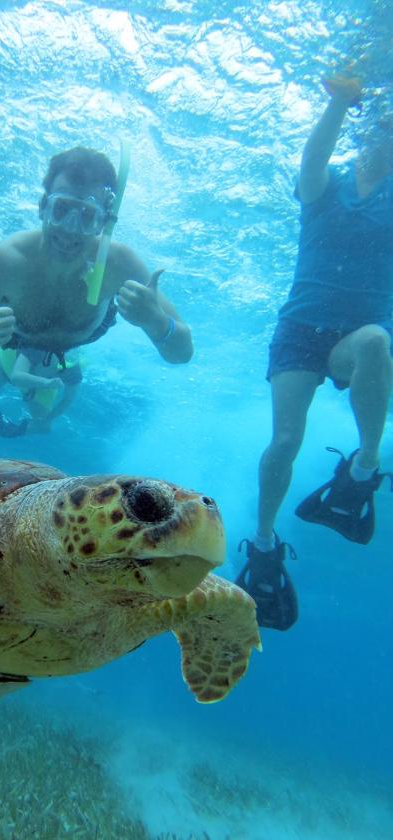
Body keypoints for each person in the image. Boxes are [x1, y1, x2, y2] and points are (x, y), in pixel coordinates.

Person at [236, 77, 393, 632]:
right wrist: (340, 100)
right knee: (284, 439)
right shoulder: (326, 186)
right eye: (378, 124)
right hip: (302, 327)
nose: (384, 135)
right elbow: (313, 155)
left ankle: (362, 470)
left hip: (361, 330)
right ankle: (262, 545)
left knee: (377, 343)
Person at [0, 146, 192, 379]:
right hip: (18, 337)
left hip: (90, 333)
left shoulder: (119, 264)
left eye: (87, 216)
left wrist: (156, 321)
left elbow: (182, 354)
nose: (71, 229)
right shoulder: (5, 263)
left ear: (103, 222)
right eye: (61, 209)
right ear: (43, 207)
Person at [0, 348, 82, 437]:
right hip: (8, 366)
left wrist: (48, 419)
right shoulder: (38, 347)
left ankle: (11, 431)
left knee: (43, 427)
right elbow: (17, 377)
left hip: (42, 385)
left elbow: (67, 400)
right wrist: (46, 383)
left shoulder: (73, 369)